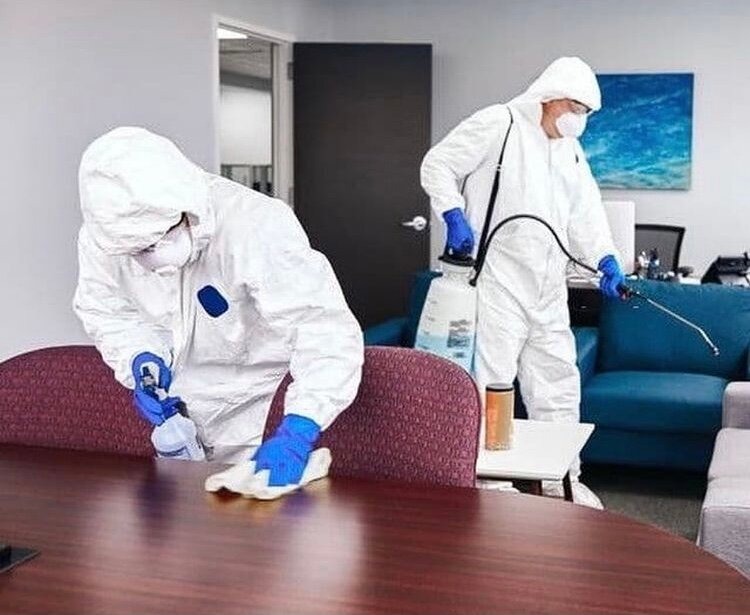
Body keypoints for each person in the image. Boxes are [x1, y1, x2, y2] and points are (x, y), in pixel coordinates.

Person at [74, 126, 364, 488]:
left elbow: (322, 330)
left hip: (263, 418)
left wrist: (300, 426)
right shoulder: (106, 237)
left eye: (153, 244)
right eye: (135, 252)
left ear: (186, 210)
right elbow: (106, 310)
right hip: (181, 424)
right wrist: (140, 355)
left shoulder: (253, 224)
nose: (148, 260)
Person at [420, 57, 625, 508]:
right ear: (550, 97)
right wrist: (453, 213)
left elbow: (586, 213)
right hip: (497, 280)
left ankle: (561, 478)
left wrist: (606, 259)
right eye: (575, 108)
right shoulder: (501, 124)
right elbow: (438, 164)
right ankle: (490, 484)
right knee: (492, 383)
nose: (579, 120)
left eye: (586, 113)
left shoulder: (569, 151)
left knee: (558, 382)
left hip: (548, 287)